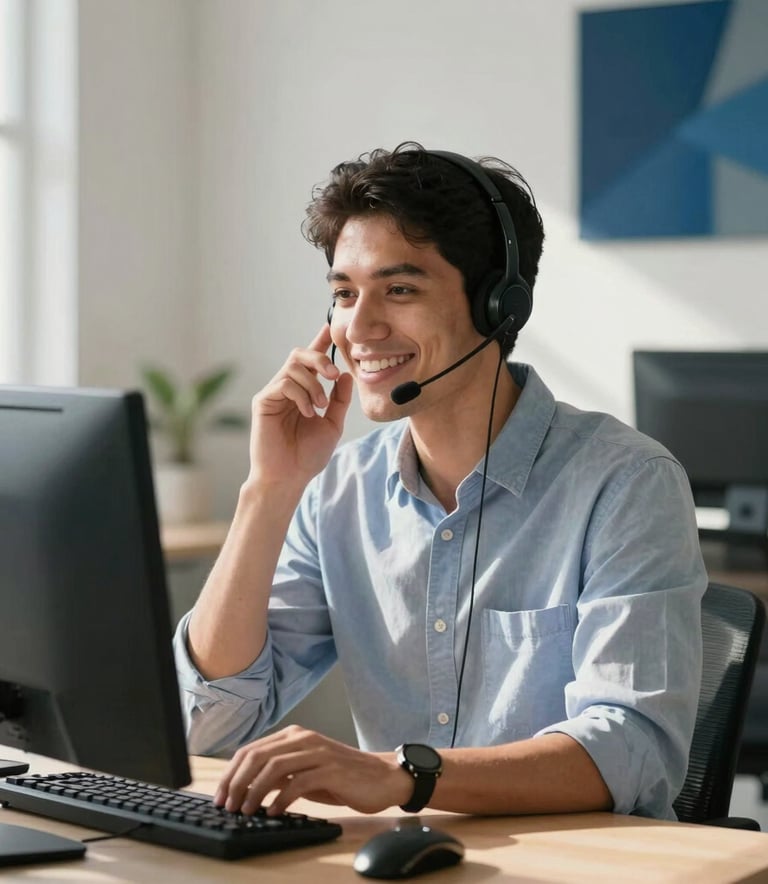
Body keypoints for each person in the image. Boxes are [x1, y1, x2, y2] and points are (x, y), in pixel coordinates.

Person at [173, 142, 706, 822]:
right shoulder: (339, 491)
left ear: (497, 306)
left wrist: (402, 777)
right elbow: (208, 726)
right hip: (401, 859)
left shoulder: (624, 483)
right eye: (342, 293)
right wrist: (268, 491)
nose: (358, 327)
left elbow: (632, 748)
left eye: (399, 289)